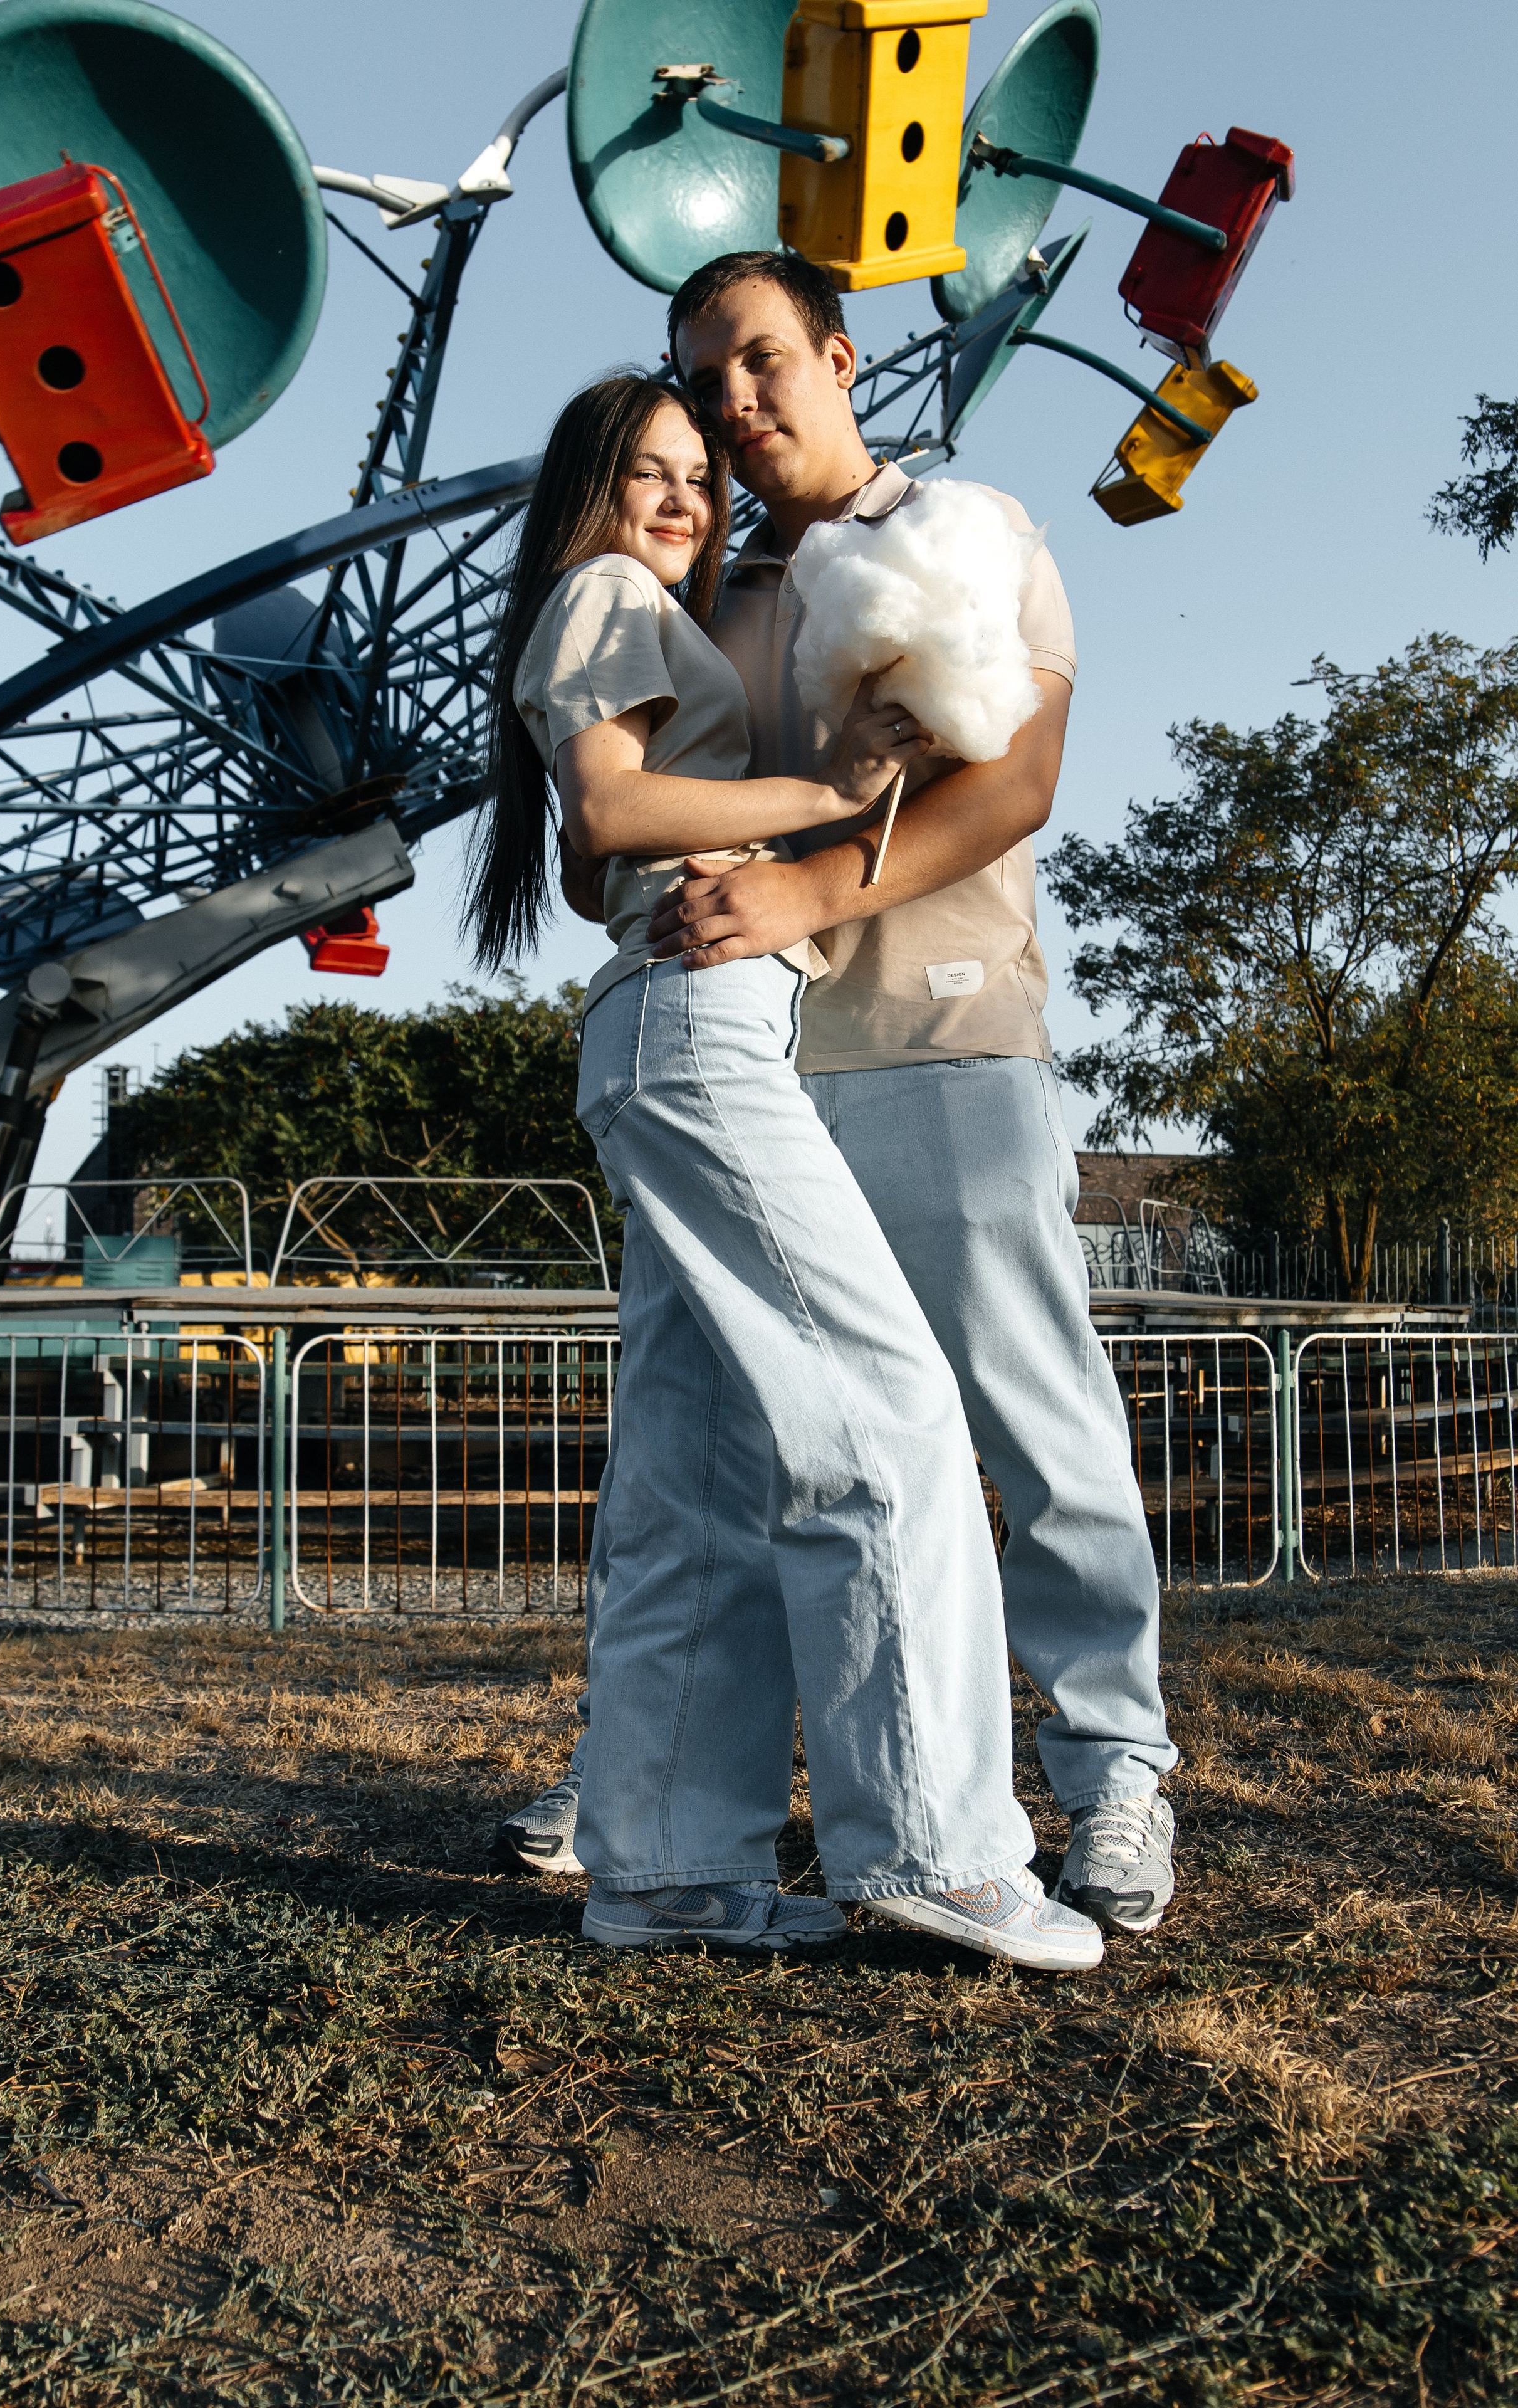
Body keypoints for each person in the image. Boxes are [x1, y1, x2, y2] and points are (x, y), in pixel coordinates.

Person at [496, 257, 1178, 1940]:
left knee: (1025, 1418)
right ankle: (659, 1800)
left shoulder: (966, 530)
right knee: (715, 1460)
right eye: (700, 379)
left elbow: (1015, 779)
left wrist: (805, 884)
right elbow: (616, 819)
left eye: (758, 360)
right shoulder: (699, 593)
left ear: (840, 356)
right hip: (754, 1064)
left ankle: (1112, 1771)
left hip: (938, 1040)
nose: (733, 402)